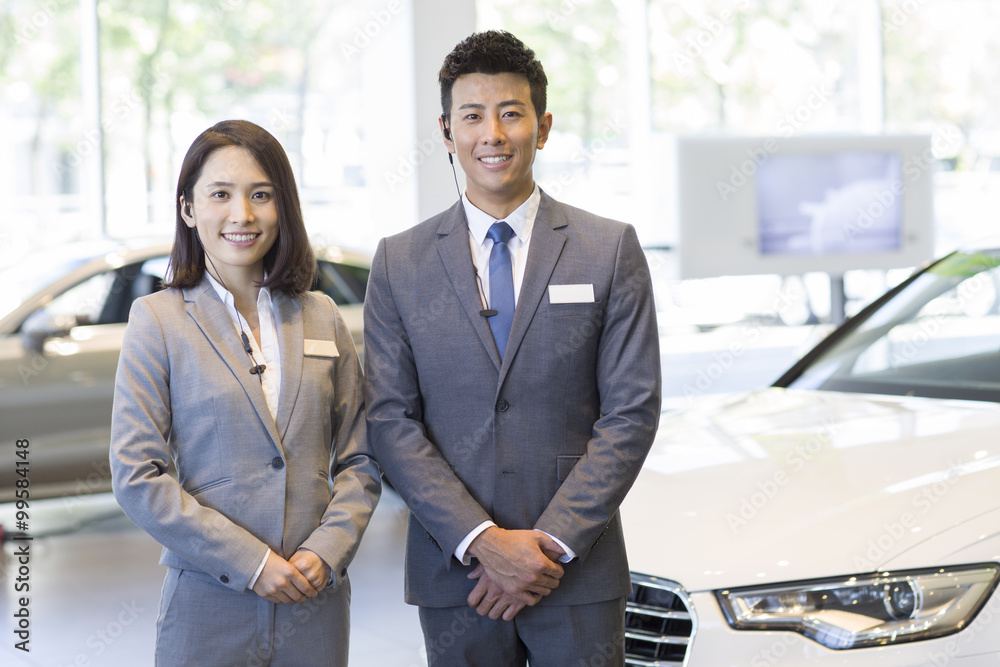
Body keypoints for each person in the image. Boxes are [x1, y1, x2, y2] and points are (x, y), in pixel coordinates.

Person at [364, 30, 661, 666]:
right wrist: (481, 541)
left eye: (511, 113)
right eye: (472, 116)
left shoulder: (607, 248)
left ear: (543, 126)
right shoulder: (400, 261)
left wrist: (550, 543)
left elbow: (631, 413)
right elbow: (390, 421)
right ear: (447, 131)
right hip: (457, 576)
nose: (491, 134)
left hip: (575, 575)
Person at [110, 119, 381, 666]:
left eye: (262, 195)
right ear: (188, 209)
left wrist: (328, 549)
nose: (243, 214)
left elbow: (364, 454)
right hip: (209, 603)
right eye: (221, 195)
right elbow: (138, 474)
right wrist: (252, 562)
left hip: (314, 601)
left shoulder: (322, 316)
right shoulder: (157, 320)